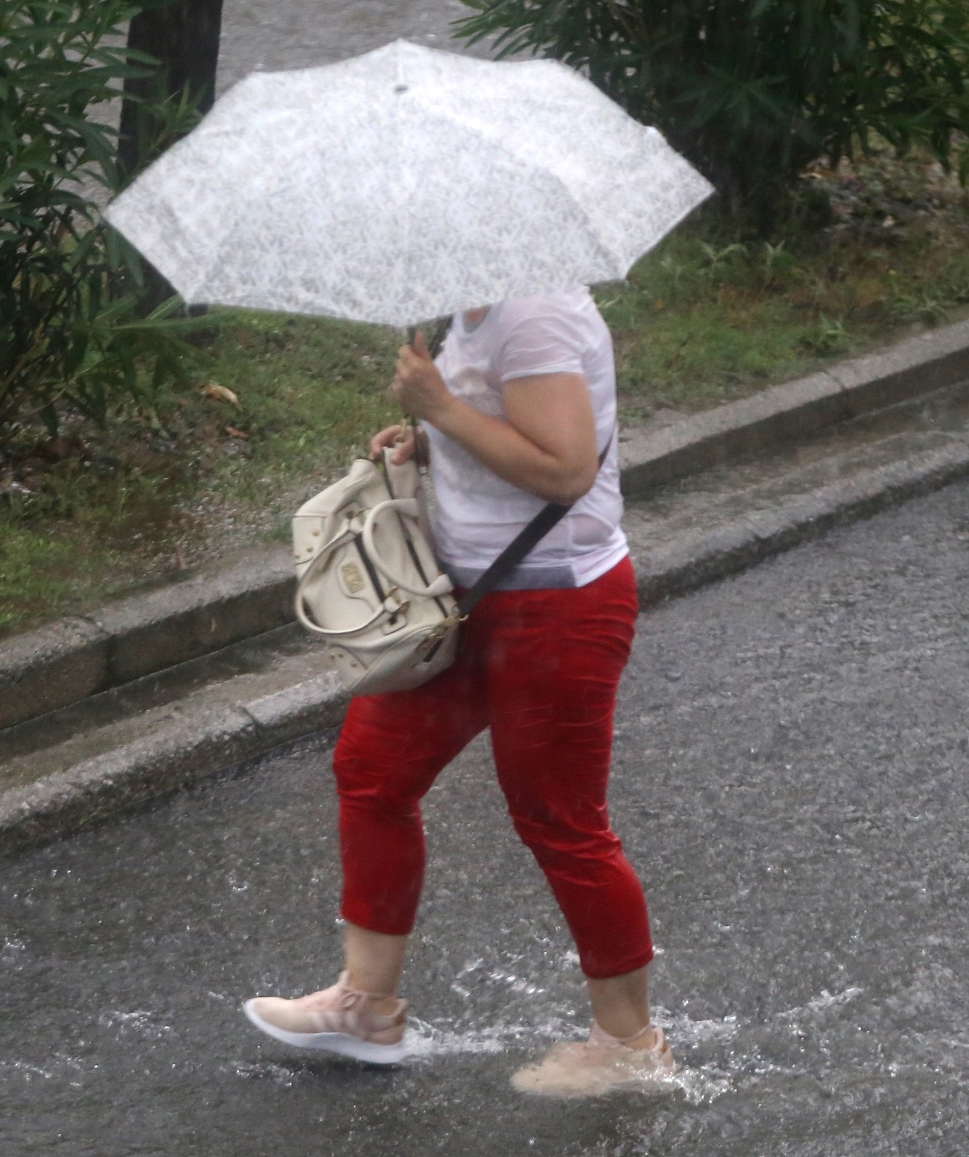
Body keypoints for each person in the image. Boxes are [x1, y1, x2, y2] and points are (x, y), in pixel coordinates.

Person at [242, 289, 673, 1097]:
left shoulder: (535, 313)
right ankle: (366, 1005)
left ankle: (629, 1041)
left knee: (557, 814)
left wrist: (440, 403)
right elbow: (509, 432)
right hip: (463, 597)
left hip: (557, 604)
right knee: (373, 771)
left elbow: (567, 467)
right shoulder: (472, 312)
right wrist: (430, 439)